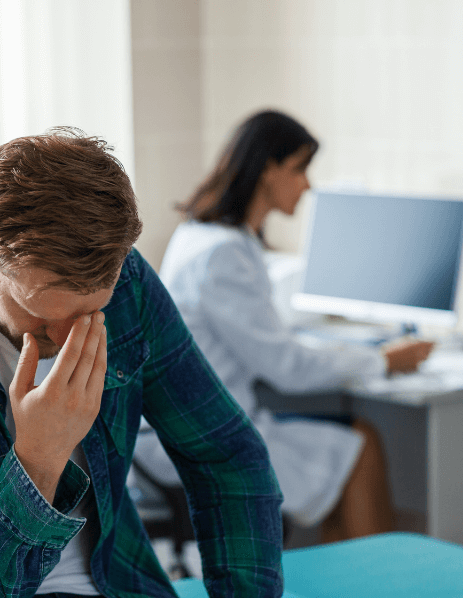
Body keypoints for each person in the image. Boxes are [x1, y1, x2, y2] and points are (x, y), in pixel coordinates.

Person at [0, 128, 284, 597]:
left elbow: (226, 455)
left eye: (91, 311)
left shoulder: (127, 283)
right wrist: (38, 463)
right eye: (41, 312)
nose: (68, 340)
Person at [134, 110, 433, 543]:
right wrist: (383, 360)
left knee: (348, 448)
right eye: (300, 169)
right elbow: (287, 368)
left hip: (183, 427)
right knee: (360, 444)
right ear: (266, 169)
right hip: (201, 440)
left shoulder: (203, 234)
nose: (307, 184)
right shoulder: (224, 252)